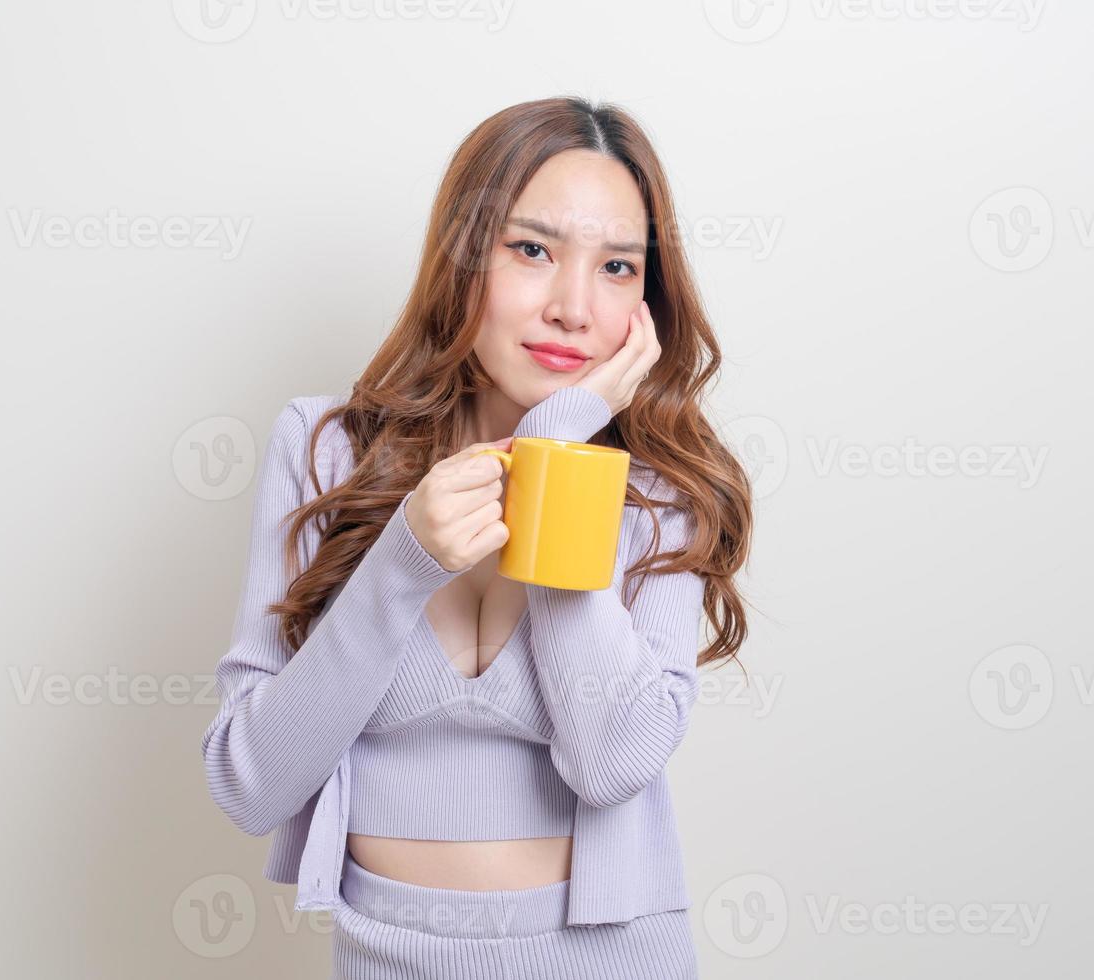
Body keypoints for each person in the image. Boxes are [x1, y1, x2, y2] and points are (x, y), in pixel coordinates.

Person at [201, 95, 754, 979]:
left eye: (616, 267)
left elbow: (612, 762)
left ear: (645, 300)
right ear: (464, 256)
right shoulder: (325, 448)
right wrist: (402, 561)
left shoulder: (658, 489)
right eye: (531, 250)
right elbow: (250, 784)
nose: (574, 307)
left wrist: (553, 456)